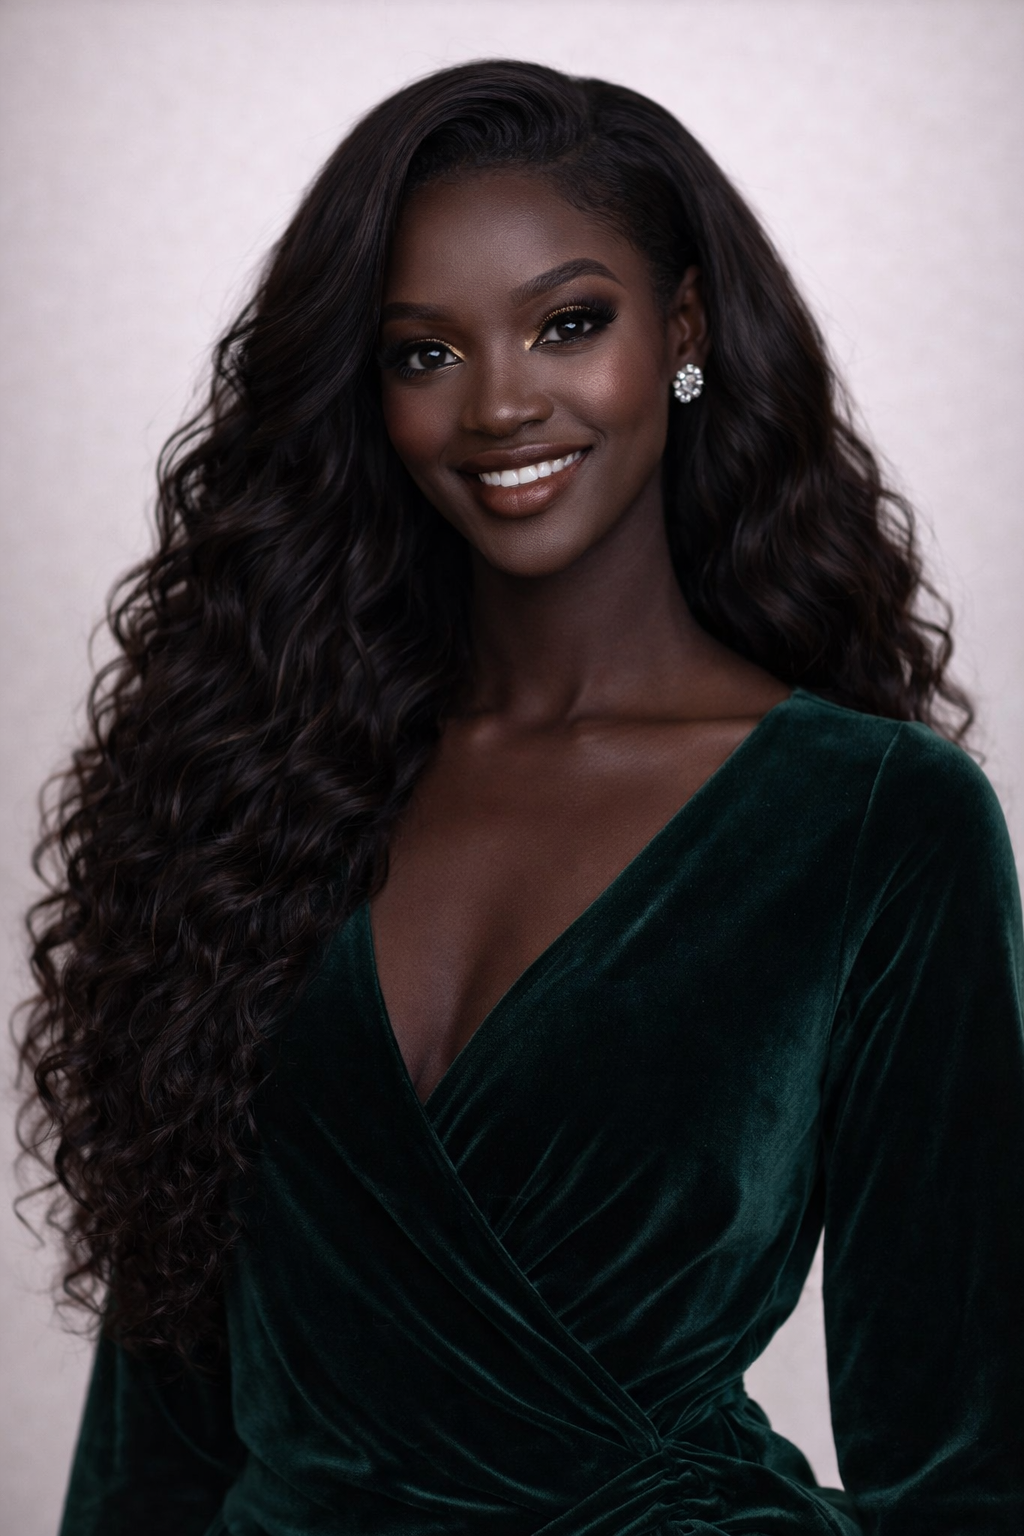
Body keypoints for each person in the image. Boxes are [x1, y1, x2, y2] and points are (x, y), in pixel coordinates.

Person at [16, 59, 1023, 1536]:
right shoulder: (253, 785)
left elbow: (967, 1471)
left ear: (680, 330)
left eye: (568, 324)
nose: (498, 403)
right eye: (421, 354)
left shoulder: (879, 821)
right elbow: (155, 1436)